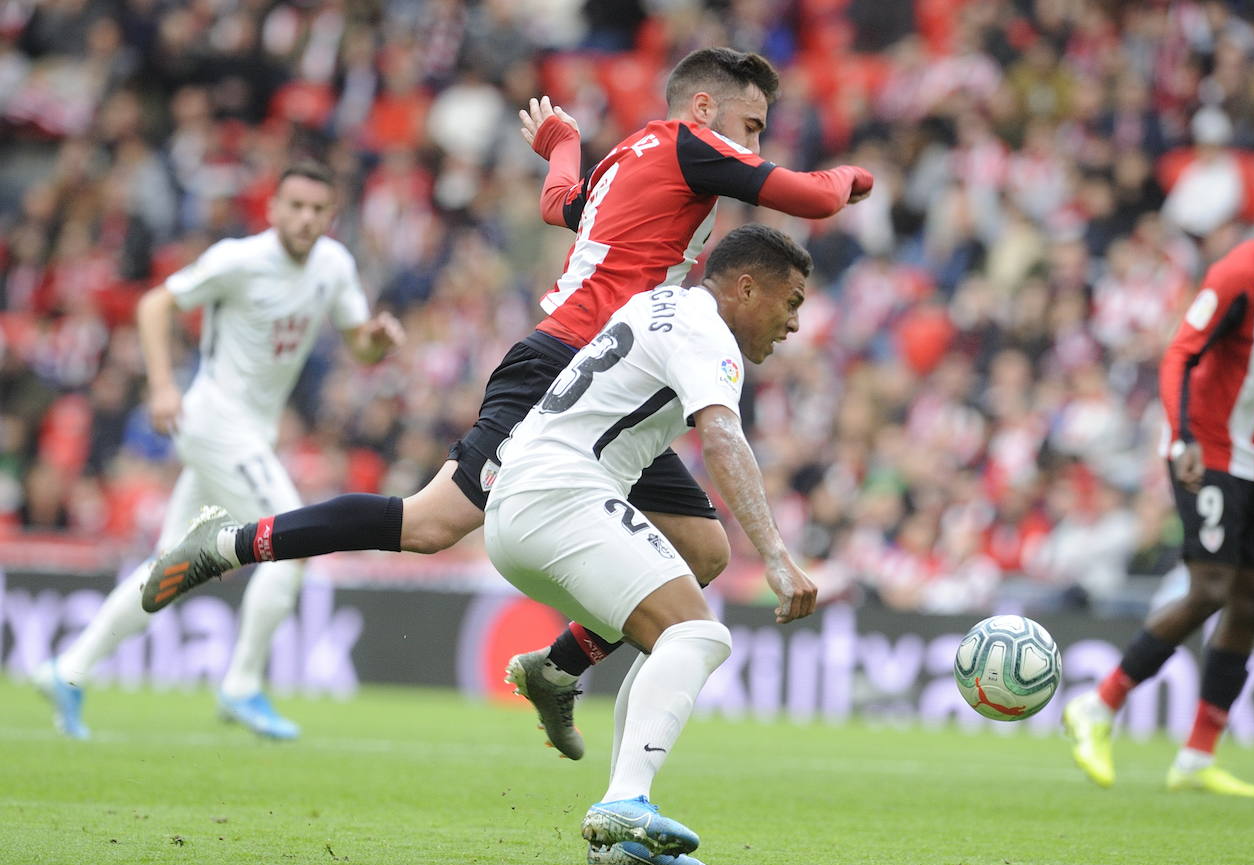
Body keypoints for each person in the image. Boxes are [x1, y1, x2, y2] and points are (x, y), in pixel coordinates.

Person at [142, 48, 871, 756]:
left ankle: (554, 671)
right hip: (563, 368)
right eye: (751, 126)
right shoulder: (689, 145)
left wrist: (563, 141)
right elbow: (812, 197)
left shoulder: (628, 158)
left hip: (606, 387)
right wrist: (855, 174)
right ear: (705, 106)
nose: (755, 145)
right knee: (430, 524)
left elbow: (562, 203)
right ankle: (230, 543)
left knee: (704, 549)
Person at [485, 223, 818, 865]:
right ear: (746, 287)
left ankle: (619, 832)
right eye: (792, 302)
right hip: (561, 498)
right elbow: (723, 441)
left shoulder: (660, 303)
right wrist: (777, 557)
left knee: (702, 555)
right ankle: (626, 801)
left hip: (524, 500)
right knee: (701, 636)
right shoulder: (707, 335)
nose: (795, 323)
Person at [36, 161, 405, 740]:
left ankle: (69, 668)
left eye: (317, 210)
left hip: (251, 434)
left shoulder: (334, 266)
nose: (306, 219)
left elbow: (359, 345)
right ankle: (241, 686)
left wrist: (374, 343)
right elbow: (156, 304)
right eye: (296, 206)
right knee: (294, 540)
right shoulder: (239, 260)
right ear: (273, 209)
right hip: (213, 422)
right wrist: (161, 384)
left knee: (171, 569)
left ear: (332, 217)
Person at [1062, 148, 1254, 797]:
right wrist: (1182, 436)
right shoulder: (1240, 272)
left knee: (1253, 601)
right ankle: (1098, 704)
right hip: (1207, 448)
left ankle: (1196, 756)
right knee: (1211, 587)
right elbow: (1181, 352)